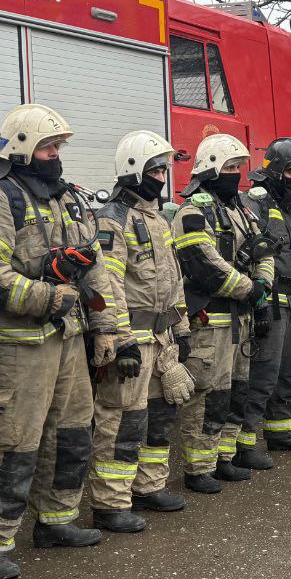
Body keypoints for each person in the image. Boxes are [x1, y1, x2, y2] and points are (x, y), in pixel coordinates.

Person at [0, 104, 125, 579]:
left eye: (58, 148)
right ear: (22, 151)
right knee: (9, 445)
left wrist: (106, 330)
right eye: (48, 148)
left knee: (70, 435)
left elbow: (95, 267)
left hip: (68, 341)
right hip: (16, 347)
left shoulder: (66, 200)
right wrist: (51, 297)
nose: (56, 156)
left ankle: (56, 521)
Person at [88, 131, 195, 532]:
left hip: (161, 339)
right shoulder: (112, 220)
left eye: (164, 169)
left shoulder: (158, 219)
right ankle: (111, 503)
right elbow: (106, 285)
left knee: (158, 418)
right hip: (133, 341)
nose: (162, 177)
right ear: (133, 170)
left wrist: (181, 328)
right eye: (155, 169)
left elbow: (174, 279)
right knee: (121, 421)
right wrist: (120, 340)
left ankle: (148, 488)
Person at [171, 133, 274, 493]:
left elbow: (264, 250)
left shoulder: (242, 210)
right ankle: (198, 469)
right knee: (207, 397)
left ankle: (223, 459)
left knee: (236, 393)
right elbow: (205, 266)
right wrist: (250, 289)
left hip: (240, 320)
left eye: (239, 168)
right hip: (210, 322)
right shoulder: (192, 213)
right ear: (210, 169)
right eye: (229, 167)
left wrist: (262, 288)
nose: (236, 174)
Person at [240, 138, 291, 459]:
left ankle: (281, 433)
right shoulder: (255, 203)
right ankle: (245, 444)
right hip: (271, 302)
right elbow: (250, 257)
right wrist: (257, 304)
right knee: (264, 374)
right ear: (274, 171)